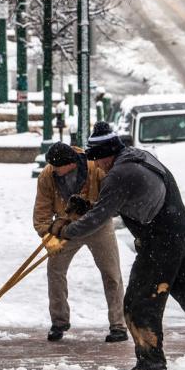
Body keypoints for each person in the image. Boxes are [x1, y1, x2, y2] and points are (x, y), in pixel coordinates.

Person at [46, 122, 185, 370]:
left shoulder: (120, 173)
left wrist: (64, 231)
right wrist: (88, 205)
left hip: (161, 243)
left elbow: (99, 219)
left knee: (138, 305)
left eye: (98, 159)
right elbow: (119, 203)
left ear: (107, 154)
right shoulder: (141, 157)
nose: (98, 166)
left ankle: (152, 368)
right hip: (182, 236)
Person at [34, 142, 127, 344]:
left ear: (71, 163)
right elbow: (41, 212)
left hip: (98, 225)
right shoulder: (47, 176)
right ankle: (59, 322)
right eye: (52, 167)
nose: (55, 171)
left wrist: (91, 207)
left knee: (112, 274)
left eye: (58, 168)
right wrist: (47, 234)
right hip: (66, 227)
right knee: (55, 272)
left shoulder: (95, 169)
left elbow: (114, 203)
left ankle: (118, 324)